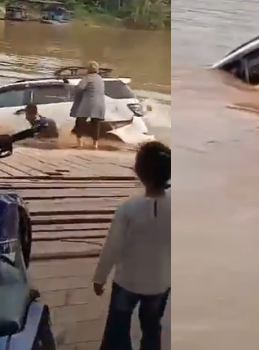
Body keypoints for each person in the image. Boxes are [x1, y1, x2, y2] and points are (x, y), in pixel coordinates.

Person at [94, 141, 171, 350]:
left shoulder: (128, 209)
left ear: (139, 172)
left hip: (127, 282)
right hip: (160, 282)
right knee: (152, 327)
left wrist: (99, 278)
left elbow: (112, 247)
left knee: (117, 328)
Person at [70, 61, 106, 149]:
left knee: (80, 122)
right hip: (100, 104)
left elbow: (80, 88)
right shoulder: (100, 79)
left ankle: (79, 143)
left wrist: (73, 90)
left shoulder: (87, 78)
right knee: (96, 124)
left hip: (88, 104)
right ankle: (95, 144)